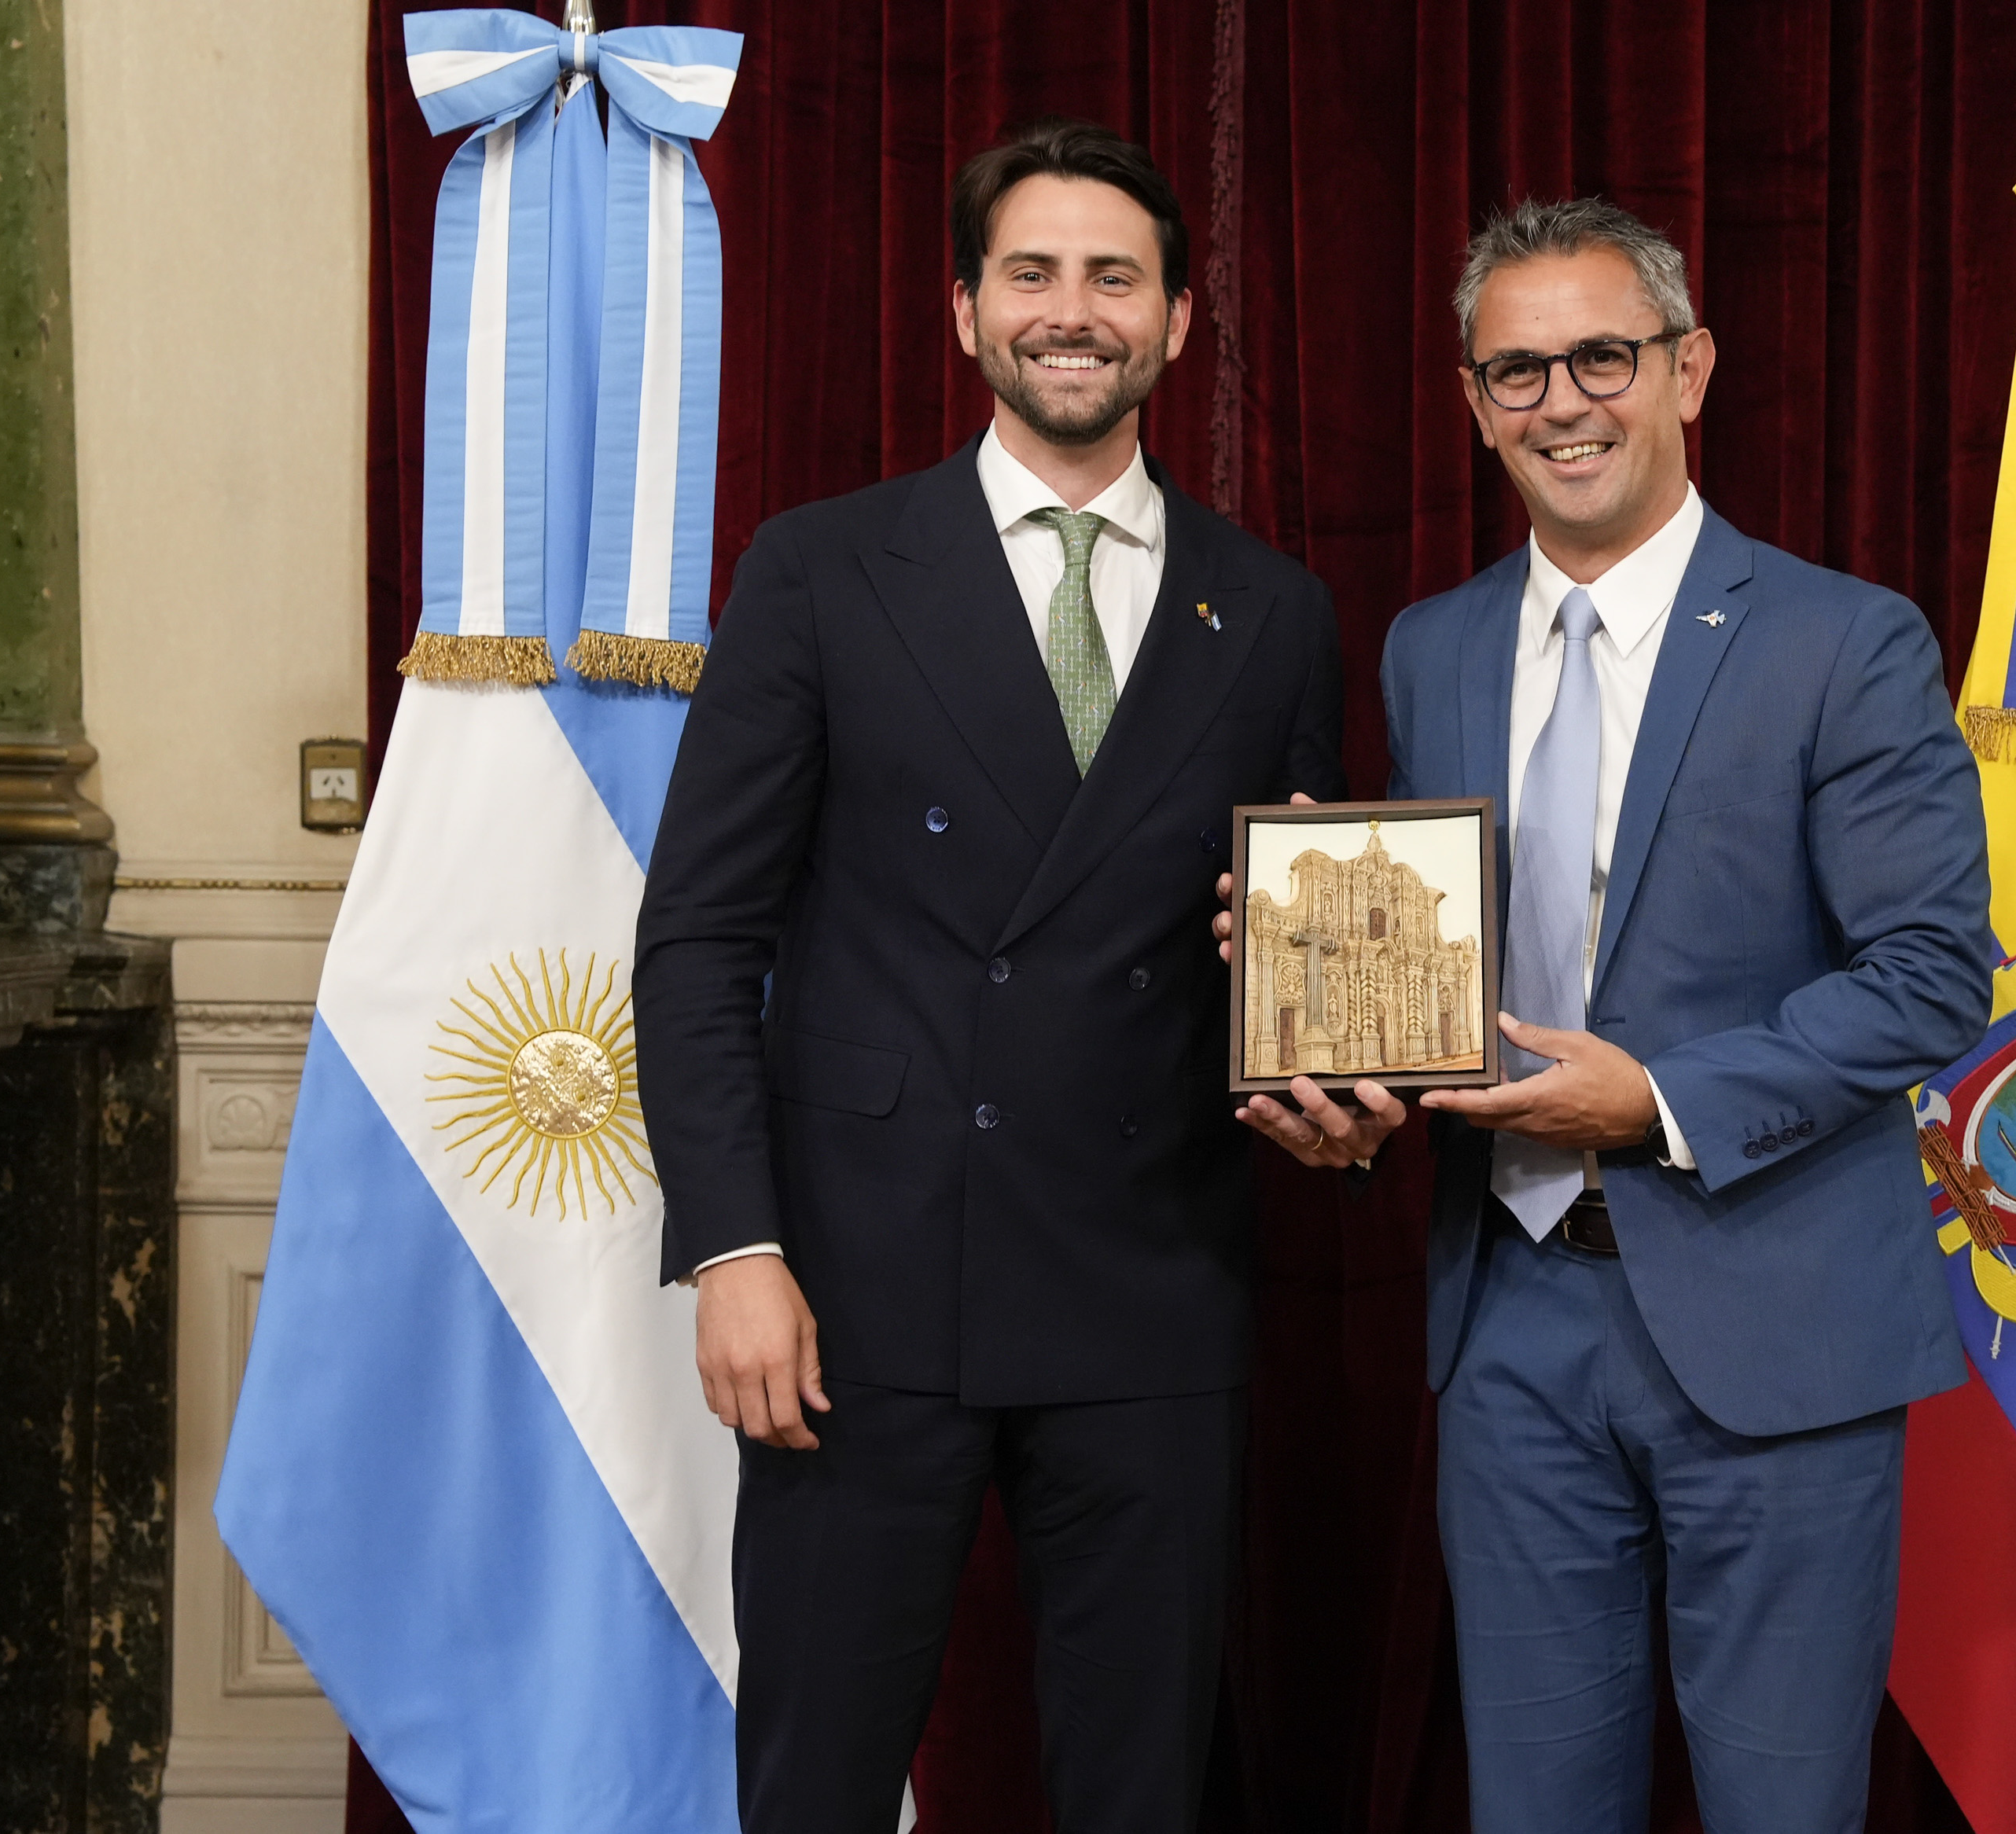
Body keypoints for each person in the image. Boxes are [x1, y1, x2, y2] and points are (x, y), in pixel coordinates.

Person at [1234, 198, 1993, 1831]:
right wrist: (1331, 1045)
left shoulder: (1844, 641)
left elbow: (1931, 971)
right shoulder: (1429, 650)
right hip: (1507, 1321)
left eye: (1600, 357)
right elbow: (1429, 976)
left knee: (1782, 1809)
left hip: (1776, 1315)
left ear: (1688, 368)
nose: (1560, 403)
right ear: (1469, 397)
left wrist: (1651, 1102)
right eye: (1517, 370)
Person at [635, 119, 1344, 1832]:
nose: (1072, 310)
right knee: (814, 1779)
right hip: (854, 1289)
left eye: (1117, 276)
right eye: (1032, 272)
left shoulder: (1274, 611)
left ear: (1179, 320)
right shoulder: (818, 568)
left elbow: (1303, 955)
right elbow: (699, 936)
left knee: (1136, 1788)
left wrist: (1335, 1087)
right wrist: (735, 1247)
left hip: (1150, 1282)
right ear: (964, 311)